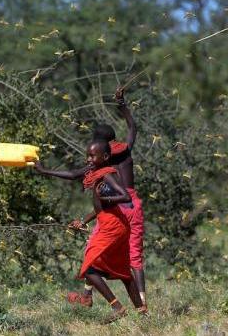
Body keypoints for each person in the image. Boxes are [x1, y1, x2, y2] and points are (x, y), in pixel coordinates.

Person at [35, 87, 148, 311]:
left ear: (102, 148)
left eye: (93, 151)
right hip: (130, 206)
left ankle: (100, 299)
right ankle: (141, 303)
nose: (89, 157)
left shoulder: (101, 163)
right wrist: (122, 104)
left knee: (95, 251)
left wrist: (45, 170)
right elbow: (133, 128)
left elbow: (77, 176)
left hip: (116, 207)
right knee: (131, 256)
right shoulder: (124, 150)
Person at [40, 140, 144, 323]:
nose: (88, 159)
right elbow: (99, 206)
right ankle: (144, 314)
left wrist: (107, 198)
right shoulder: (97, 173)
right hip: (115, 225)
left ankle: (117, 308)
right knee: (124, 273)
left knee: (89, 269)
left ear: (104, 157)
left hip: (112, 228)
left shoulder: (108, 175)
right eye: (87, 155)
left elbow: (125, 196)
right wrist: (82, 221)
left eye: (92, 156)